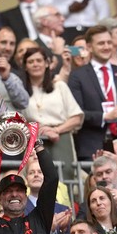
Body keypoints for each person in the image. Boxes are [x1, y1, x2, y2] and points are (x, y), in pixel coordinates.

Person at [68, 25, 117, 161]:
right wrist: (106, 116)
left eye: (109, 42)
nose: (106, 47)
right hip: (92, 145)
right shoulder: (78, 76)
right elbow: (77, 113)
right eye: (101, 43)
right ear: (89, 47)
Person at [22, 47, 84, 181]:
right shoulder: (20, 92)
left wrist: (55, 130)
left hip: (61, 137)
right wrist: (38, 131)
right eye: (30, 61)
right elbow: (18, 120)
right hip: (34, 139)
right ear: (25, 67)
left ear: (47, 63)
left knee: (65, 175)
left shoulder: (59, 86)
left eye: (39, 60)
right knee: (36, 177)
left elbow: (76, 118)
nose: (35, 64)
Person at [37, 0, 110, 44]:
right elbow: (44, 8)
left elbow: (103, 6)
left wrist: (99, 27)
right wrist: (68, 9)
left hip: (90, 27)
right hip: (65, 29)